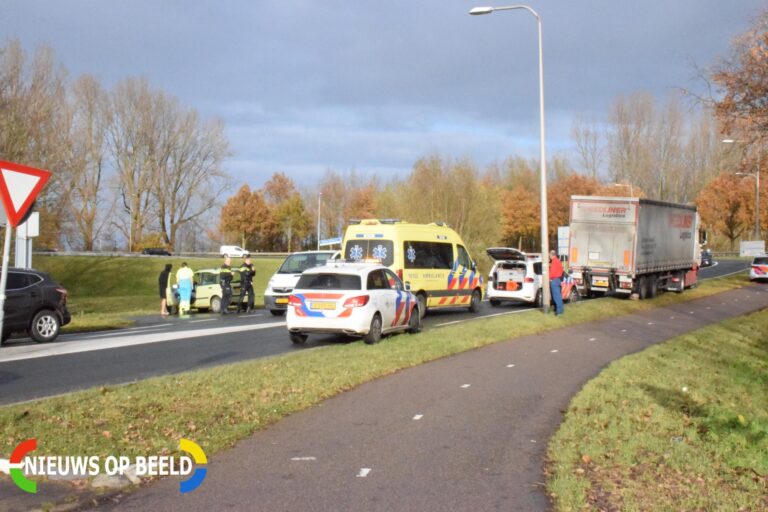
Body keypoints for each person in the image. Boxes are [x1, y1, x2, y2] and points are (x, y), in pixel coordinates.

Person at [549, 250, 564, 316]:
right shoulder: (558, 261)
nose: (549, 256)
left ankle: (559, 312)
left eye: (549, 255)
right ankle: (560, 310)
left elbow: (552, 272)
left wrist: (549, 278)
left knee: (556, 297)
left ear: (552, 255)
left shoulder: (554, 261)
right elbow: (561, 270)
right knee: (558, 296)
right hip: (558, 279)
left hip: (554, 280)